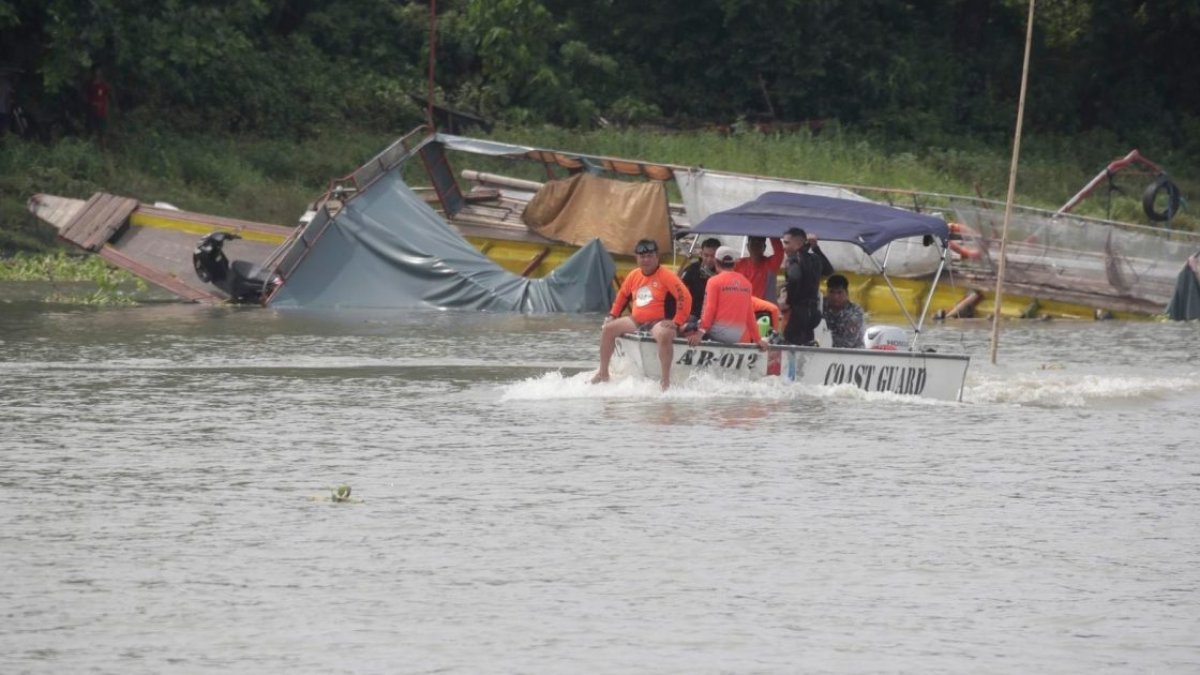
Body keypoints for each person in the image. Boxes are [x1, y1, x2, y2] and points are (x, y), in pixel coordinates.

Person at [591, 238, 692, 390]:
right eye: (642, 257)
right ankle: (603, 373)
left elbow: (685, 296)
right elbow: (622, 297)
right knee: (608, 328)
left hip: (660, 321)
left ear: (657, 257)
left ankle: (665, 382)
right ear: (636, 258)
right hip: (637, 319)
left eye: (650, 256)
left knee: (665, 334)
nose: (646, 260)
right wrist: (612, 315)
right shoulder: (633, 275)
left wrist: (677, 321)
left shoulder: (667, 275)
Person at [687, 246, 768, 351]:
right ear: (734, 264)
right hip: (738, 335)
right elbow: (750, 314)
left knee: (686, 327)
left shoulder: (713, 281)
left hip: (718, 334)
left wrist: (699, 333)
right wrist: (758, 339)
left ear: (716, 262)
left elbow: (709, 309)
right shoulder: (747, 283)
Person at [780, 226, 833, 346]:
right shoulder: (815, 259)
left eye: (787, 243)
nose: (784, 247)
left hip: (797, 312)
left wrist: (788, 301)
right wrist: (816, 248)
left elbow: (794, 277)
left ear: (798, 244)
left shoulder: (793, 259)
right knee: (807, 345)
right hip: (813, 314)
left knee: (789, 345)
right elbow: (829, 271)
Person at [678, 237, 721, 326]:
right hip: (694, 314)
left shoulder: (723, 271)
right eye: (706, 255)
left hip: (716, 316)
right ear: (701, 254)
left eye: (713, 256)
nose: (709, 259)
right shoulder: (692, 269)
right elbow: (679, 291)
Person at [733, 235, 784, 302]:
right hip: (743, 306)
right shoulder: (738, 264)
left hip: (763, 308)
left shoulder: (770, 264)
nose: (756, 247)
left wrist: (771, 232)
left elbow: (779, 251)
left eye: (759, 244)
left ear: (764, 247)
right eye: (753, 243)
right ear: (748, 246)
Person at [822, 274, 865, 348]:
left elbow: (848, 342)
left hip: (851, 354)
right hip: (823, 351)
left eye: (839, 292)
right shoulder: (820, 306)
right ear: (827, 292)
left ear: (846, 293)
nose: (835, 297)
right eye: (832, 292)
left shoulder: (855, 311)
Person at [84, 66, 112, 145]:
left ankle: (103, 150)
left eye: (99, 71)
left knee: (102, 132)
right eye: (95, 71)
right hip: (91, 111)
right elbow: (85, 96)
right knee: (90, 131)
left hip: (102, 112)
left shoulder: (104, 85)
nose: (97, 73)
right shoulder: (89, 84)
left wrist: (104, 105)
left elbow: (108, 96)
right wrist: (91, 103)